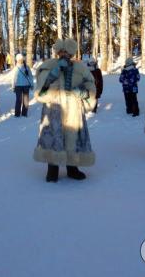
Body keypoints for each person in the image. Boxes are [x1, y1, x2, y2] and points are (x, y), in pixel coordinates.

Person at [33, 39, 96, 183]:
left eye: (67, 52)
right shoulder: (48, 67)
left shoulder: (80, 68)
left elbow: (91, 85)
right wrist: (53, 75)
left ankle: (72, 168)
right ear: (57, 52)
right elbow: (40, 92)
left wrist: (83, 92)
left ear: (72, 53)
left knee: (72, 137)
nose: (64, 55)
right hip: (54, 109)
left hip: (74, 109)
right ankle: (52, 169)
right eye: (61, 52)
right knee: (54, 138)